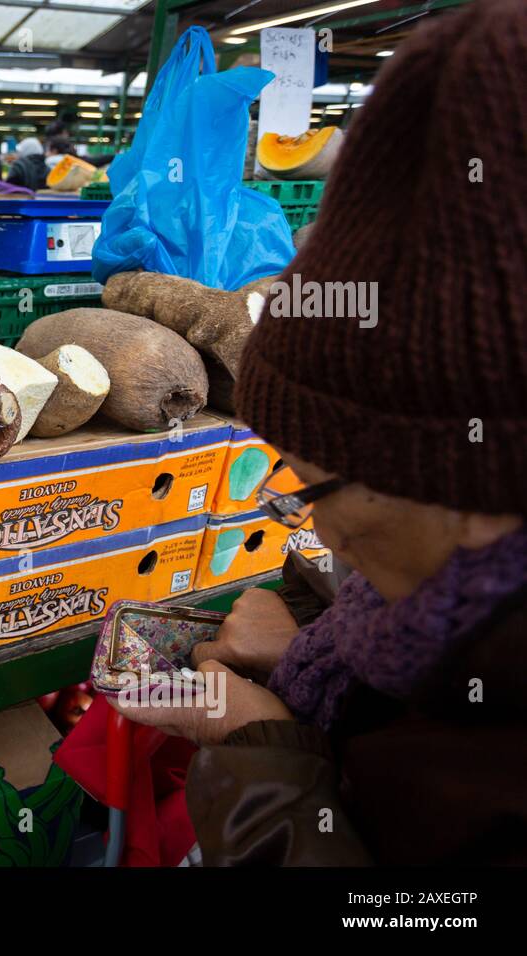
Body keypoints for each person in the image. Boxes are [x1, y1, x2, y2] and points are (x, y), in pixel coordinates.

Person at [108, 0, 527, 865]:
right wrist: (315, 649)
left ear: (476, 488)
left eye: (319, 486)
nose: (316, 528)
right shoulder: (441, 624)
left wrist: (267, 757)